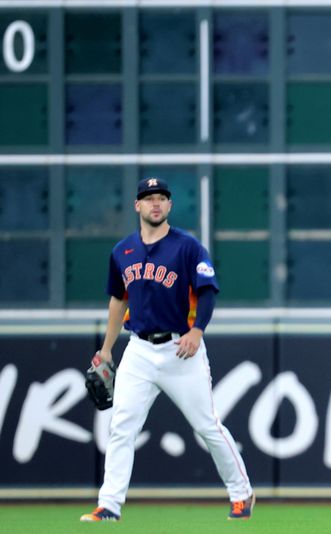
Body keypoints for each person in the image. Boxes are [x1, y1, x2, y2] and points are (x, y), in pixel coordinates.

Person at [80, 177, 254, 522]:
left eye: (161, 198)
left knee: (207, 426)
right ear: (138, 206)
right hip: (139, 350)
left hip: (180, 349)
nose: (155, 203)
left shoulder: (188, 247)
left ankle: (241, 494)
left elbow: (207, 292)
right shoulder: (122, 251)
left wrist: (197, 331)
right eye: (149, 198)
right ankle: (110, 505)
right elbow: (118, 299)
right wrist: (107, 348)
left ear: (170, 205)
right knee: (122, 426)